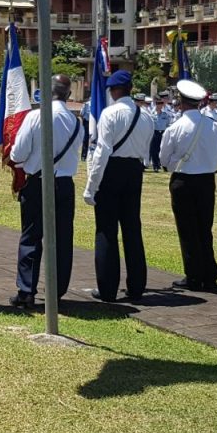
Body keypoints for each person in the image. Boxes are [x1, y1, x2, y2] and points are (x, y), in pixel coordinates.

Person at [9, 73, 83, 309]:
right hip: (65, 184)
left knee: (31, 236)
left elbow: (18, 153)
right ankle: (56, 290)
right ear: (68, 94)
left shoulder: (35, 116)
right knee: (62, 238)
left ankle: (26, 290)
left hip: (38, 182)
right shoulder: (76, 122)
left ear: (46, 92)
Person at [83, 70, 154, 303]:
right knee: (132, 229)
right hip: (134, 170)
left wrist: (91, 186)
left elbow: (102, 151)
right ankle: (137, 286)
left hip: (112, 169)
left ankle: (107, 288)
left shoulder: (110, 113)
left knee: (106, 230)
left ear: (113, 91)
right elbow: (146, 150)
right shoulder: (146, 116)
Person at [160, 79, 217, 292]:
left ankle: (194, 275)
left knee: (187, 230)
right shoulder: (213, 126)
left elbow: (163, 159)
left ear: (181, 102)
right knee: (205, 227)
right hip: (207, 180)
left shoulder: (175, 128)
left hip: (183, 180)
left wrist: (176, 164)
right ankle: (209, 274)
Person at [150, 94, 172, 172]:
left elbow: (168, 124)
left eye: (161, 103)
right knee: (154, 149)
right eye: (158, 103)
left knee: (162, 149)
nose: (159, 105)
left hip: (163, 132)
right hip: (155, 132)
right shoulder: (151, 114)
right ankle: (155, 165)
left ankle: (163, 164)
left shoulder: (165, 114)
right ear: (155, 104)